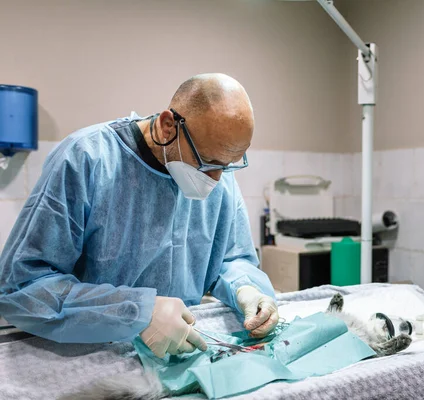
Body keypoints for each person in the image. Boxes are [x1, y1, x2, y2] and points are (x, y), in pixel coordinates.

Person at [0, 73, 279, 358]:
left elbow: (229, 259)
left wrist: (246, 289)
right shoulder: (86, 158)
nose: (217, 178)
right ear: (168, 126)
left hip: (183, 353)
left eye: (228, 165)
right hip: (91, 356)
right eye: (208, 163)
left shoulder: (217, 171)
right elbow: (23, 288)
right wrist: (135, 312)